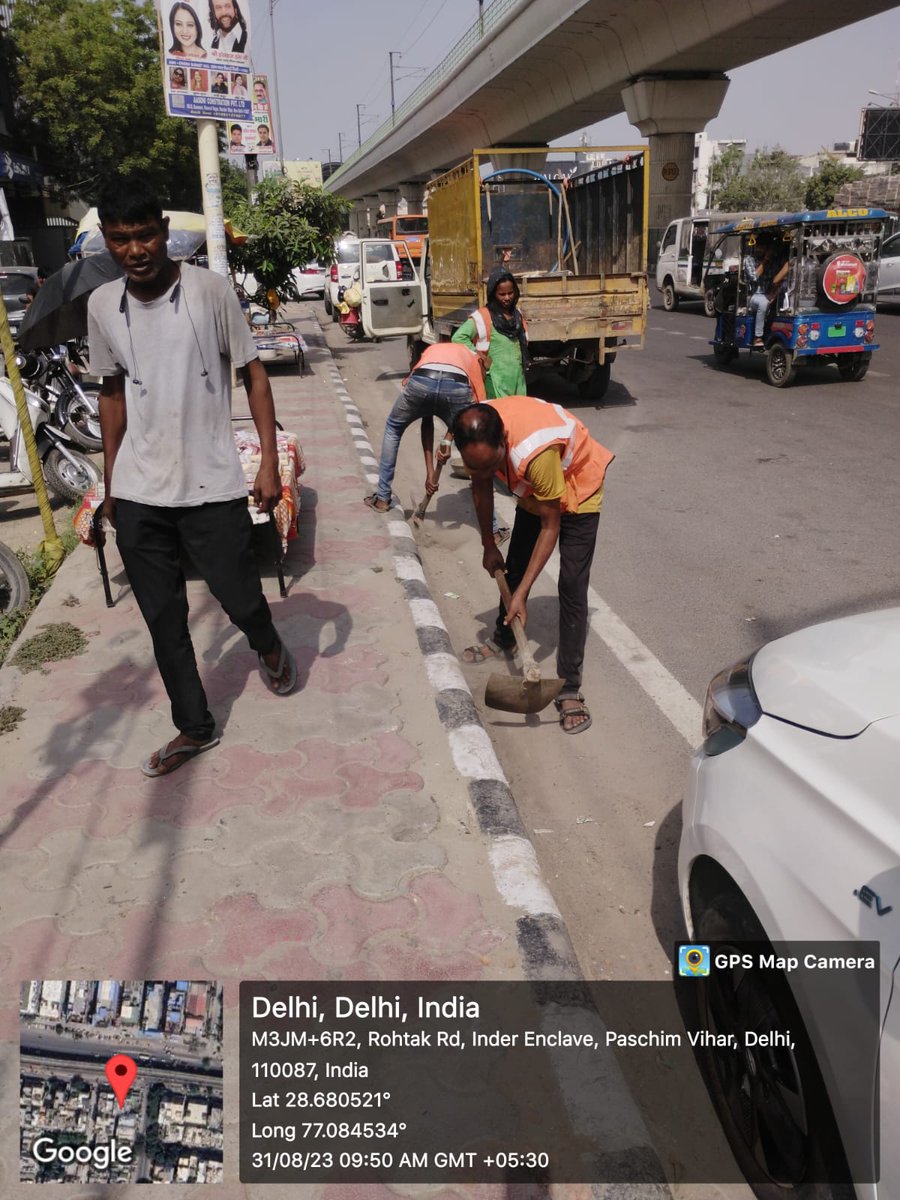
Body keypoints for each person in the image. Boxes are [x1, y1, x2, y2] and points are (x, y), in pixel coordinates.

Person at [87, 178, 297, 778]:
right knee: (163, 619)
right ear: (108, 240)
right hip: (138, 491)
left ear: (164, 233)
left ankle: (266, 641)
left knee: (238, 596)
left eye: (146, 235)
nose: (136, 249)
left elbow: (255, 375)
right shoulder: (102, 306)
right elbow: (111, 394)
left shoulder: (210, 291)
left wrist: (266, 461)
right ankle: (194, 725)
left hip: (210, 484)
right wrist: (110, 486)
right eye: (122, 239)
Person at [453, 397, 614, 735]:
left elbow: (550, 526)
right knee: (513, 562)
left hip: (577, 486)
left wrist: (522, 594)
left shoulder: (533, 452)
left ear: (503, 443)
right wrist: (487, 544)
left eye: (488, 466)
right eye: (474, 467)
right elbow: (481, 486)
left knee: (571, 585)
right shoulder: (477, 435)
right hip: (534, 488)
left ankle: (569, 688)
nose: (481, 474)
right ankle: (504, 637)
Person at [363, 343, 487, 515]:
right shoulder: (475, 360)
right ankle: (493, 528)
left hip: (423, 380)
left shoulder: (431, 351)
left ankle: (383, 498)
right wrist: (432, 469)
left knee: (394, 428)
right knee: (472, 448)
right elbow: (467, 413)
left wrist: (446, 442)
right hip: (455, 386)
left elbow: (428, 417)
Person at [452, 266, 528, 398]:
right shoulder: (483, 316)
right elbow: (458, 337)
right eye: (502, 294)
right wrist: (480, 356)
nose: (507, 297)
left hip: (517, 379)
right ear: (493, 294)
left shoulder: (517, 315)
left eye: (510, 293)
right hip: (495, 381)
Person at [743, 233, 789, 347]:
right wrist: (765, 260)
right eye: (758, 246)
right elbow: (754, 277)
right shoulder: (749, 260)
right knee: (763, 303)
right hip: (754, 296)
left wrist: (774, 293)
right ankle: (758, 337)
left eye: (763, 247)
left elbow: (778, 277)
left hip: (770, 293)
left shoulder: (774, 261)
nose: (759, 249)